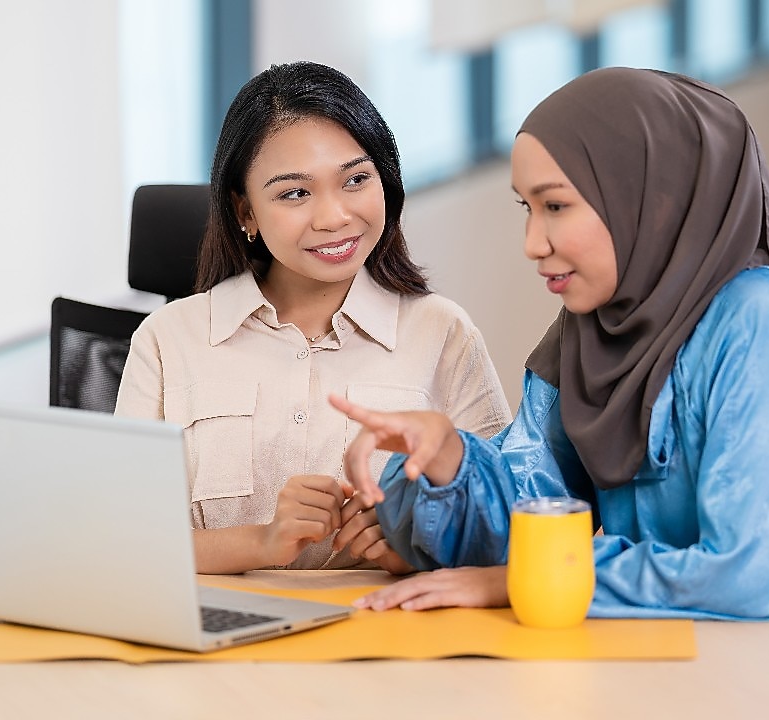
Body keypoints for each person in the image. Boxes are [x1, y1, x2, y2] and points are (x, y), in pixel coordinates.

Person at [331, 67, 769, 714]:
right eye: (528, 207)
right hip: (699, 664)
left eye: (556, 205)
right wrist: (448, 458)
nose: (533, 242)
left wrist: (528, 583)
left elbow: (756, 576)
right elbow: (534, 517)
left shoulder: (755, 318)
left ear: (649, 196)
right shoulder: (590, 329)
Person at [115, 61, 511, 576]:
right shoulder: (168, 340)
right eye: (294, 193)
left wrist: (411, 550)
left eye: (356, 180)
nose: (334, 217)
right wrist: (261, 542)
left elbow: (505, 526)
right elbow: (125, 539)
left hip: (382, 634)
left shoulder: (443, 332)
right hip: (211, 641)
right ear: (245, 212)